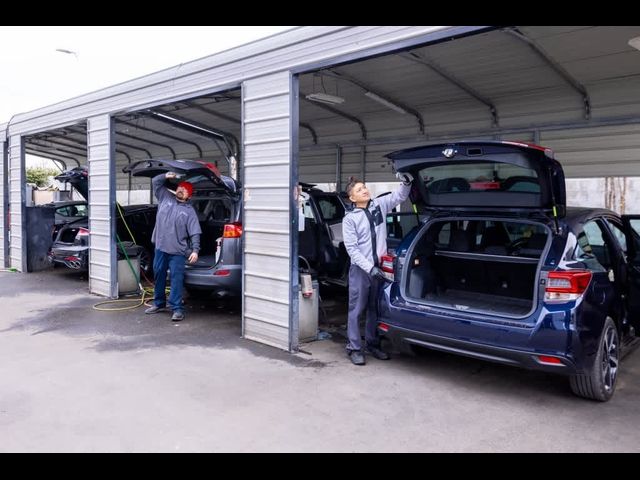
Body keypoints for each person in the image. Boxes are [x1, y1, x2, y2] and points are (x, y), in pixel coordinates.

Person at [341, 172, 414, 365]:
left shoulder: (379, 206)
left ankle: (372, 345)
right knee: (356, 310)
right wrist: (369, 268)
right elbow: (352, 250)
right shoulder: (350, 219)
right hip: (361, 271)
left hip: (379, 268)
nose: (364, 190)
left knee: (375, 308)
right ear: (352, 198)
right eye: (359, 189)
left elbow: (399, 196)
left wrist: (406, 182)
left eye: (364, 187)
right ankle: (354, 348)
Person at [145, 172, 202, 321]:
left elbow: (195, 232)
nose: (181, 190)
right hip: (160, 248)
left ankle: (177, 308)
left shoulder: (189, 212)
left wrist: (195, 250)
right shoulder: (165, 197)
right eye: (180, 187)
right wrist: (165, 175)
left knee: (176, 279)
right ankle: (159, 303)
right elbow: (155, 182)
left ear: (189, 196)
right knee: (159, 276)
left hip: (177, 251)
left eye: (185, 190)